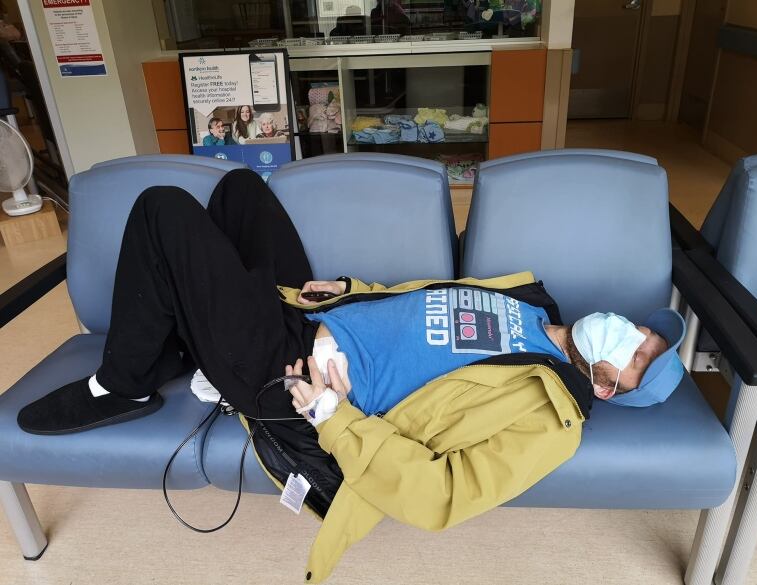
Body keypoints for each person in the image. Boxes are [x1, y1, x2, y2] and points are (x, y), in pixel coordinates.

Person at [16, 169, 686, 580]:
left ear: (605, 386)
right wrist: (349, 288)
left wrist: (334, 417)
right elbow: (429, 304)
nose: (634, 335)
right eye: (644, 332)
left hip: (294, 380)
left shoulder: (554, 417)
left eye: (638, 355)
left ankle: (122, 383)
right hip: (315, 317)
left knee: (164, 209)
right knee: (239, 191)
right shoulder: (534, 301)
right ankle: (195, 345)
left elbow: (440, 496)